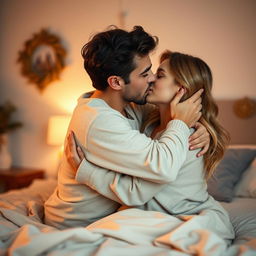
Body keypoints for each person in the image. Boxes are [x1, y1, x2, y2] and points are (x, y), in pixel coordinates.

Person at [44, 26, 208, 230]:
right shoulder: (100, 121)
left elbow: (167, 117)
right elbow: (161, 167)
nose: (151, 79)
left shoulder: (132, 107)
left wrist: (199, 127)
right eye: (145, 73)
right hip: (77, 223)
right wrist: (181, 124)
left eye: (155, 72)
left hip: (110, 217)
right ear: (116, 82)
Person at [65, 50, 235, 244]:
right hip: (147, 211)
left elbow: (135, 191)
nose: (152, 79)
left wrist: (87, 172)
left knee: (100, 236)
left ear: (182, 89)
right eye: (149, 73)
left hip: (180, 213)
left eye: (160, 75)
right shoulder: (149, 122)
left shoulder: (188, 138)